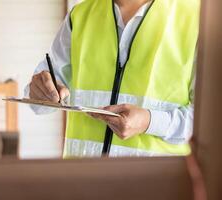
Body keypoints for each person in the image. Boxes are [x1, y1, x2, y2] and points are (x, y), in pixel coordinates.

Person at [25, 0, 200, 157]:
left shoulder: (198, 19)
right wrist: (40, 91)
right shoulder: (80, 16)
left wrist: (149, 122)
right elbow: (39, 98)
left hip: (155, 185)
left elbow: (209, 124)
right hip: (81, 183)